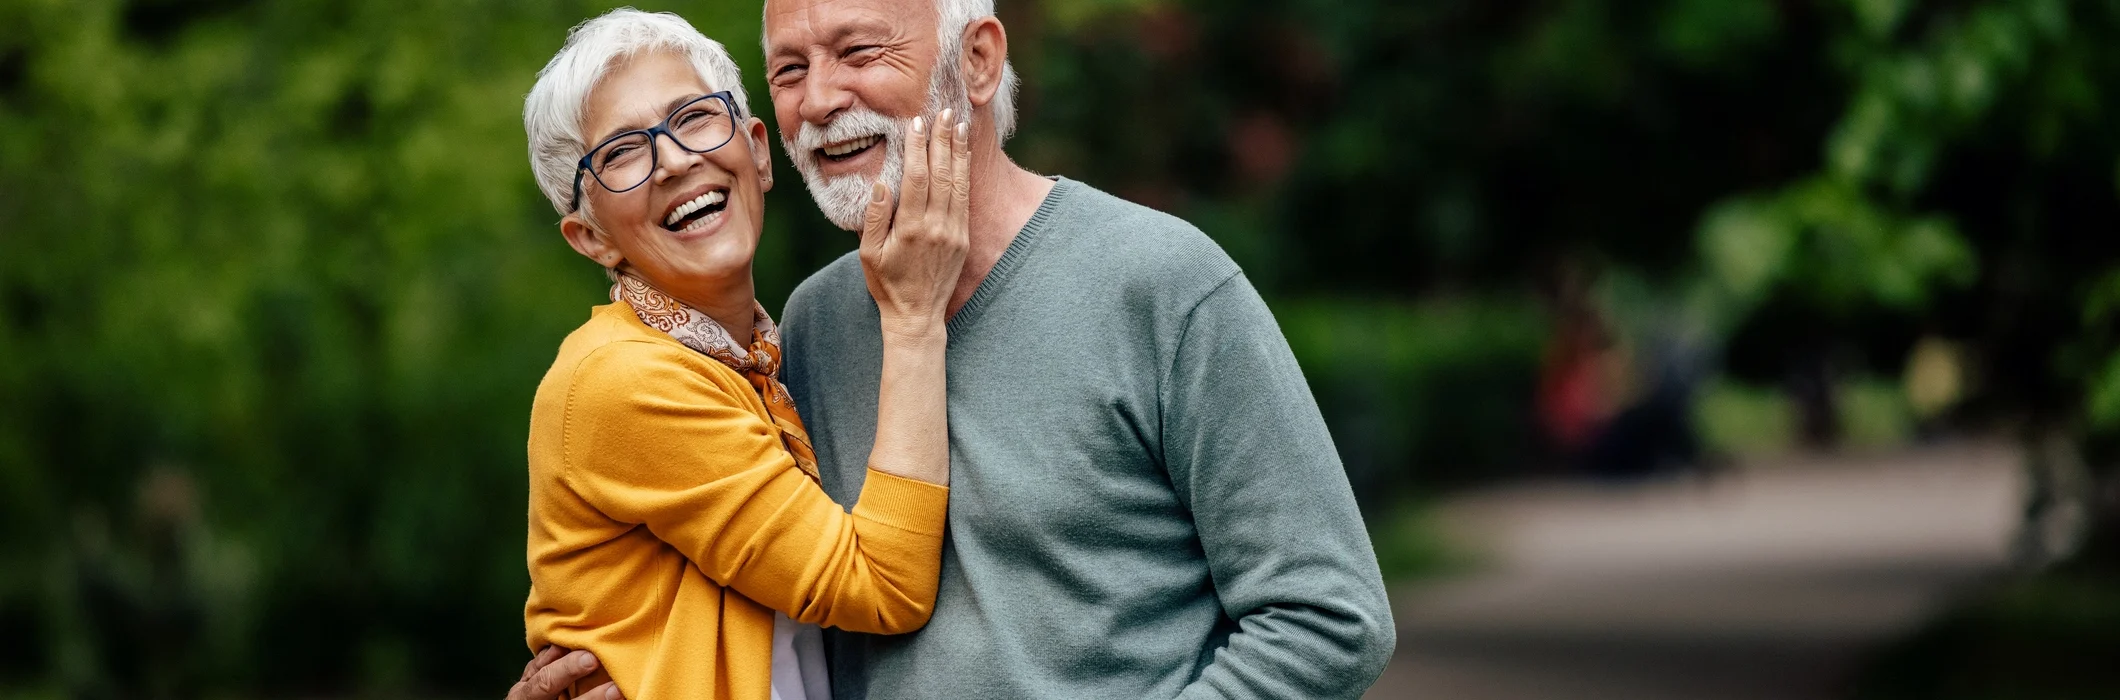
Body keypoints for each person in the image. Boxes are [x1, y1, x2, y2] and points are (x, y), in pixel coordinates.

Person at [514, 0, 1397, 697]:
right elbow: (763, 588)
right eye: (790, 69)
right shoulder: (812, 325)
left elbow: (1327, 618)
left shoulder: (1162, 284)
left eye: (858, 53)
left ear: (976, 60)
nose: (820, 99)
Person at [514, 9, 976, 700]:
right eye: (620, 154)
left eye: (694, 117)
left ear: (757, 151)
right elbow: (882, 588)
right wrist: (912, 321)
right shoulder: (625, 379)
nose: (673, 159)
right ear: (590, 238)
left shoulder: (762, 356)